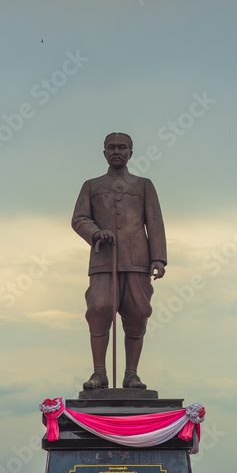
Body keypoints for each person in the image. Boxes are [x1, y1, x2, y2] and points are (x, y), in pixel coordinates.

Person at [72, 132, 167, 390]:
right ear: (103, 152)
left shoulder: (143, 185)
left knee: (137, 314)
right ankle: (99, 373)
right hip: (104, 260)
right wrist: (95, 233)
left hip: (137, 261)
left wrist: (158, 258)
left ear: (130, 153)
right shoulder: (91, 186)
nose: (117, 151)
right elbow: (79, 219)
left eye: (122, 147)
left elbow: (155, 223)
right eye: (111, 147)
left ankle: (131, 374)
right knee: (99, 309)